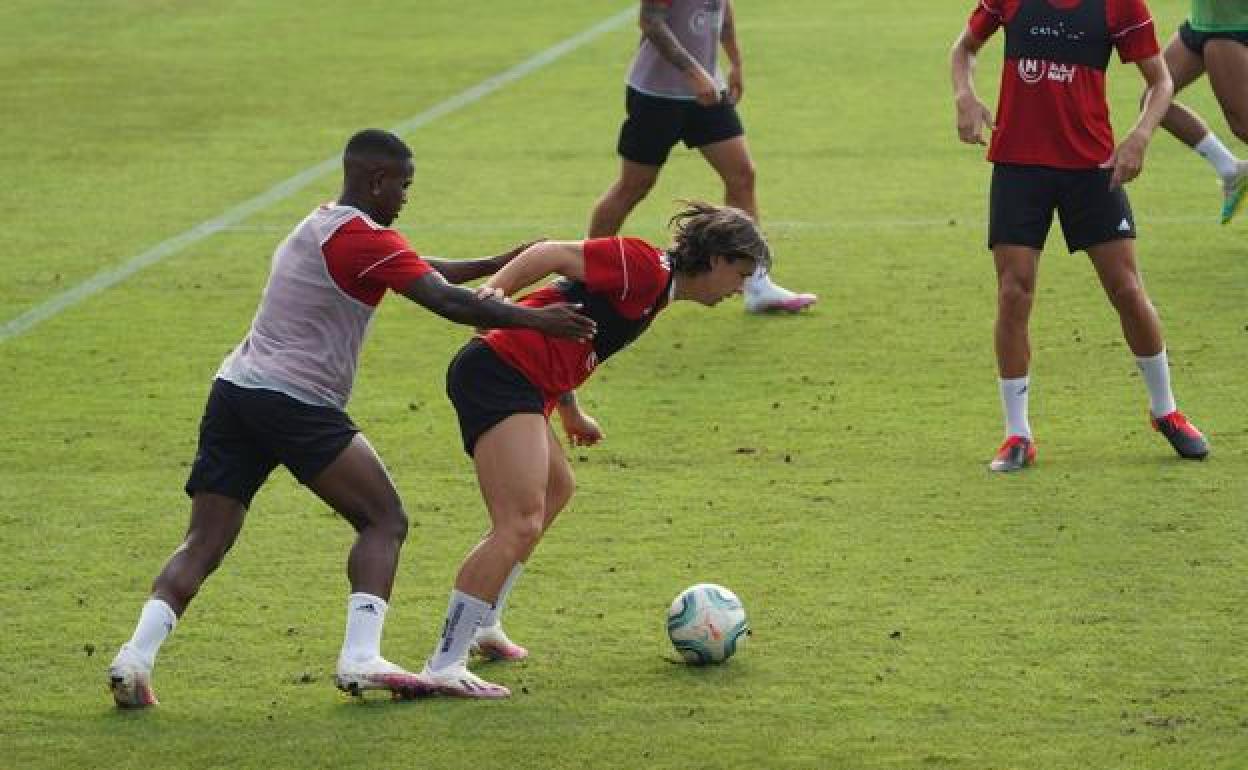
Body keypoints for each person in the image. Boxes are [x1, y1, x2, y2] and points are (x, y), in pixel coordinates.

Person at [106, 129, 597, 708]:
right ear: (376, 181)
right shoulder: (365, 240)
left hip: (234, 392)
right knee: (384, 519)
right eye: (404, 186)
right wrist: (541, 321)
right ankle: (361, 657)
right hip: (294, 402)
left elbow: (420, 269)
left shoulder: (325, 222)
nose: (406, 197)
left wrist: (496, 263)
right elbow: (444, 301)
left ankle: (134, 659)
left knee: (205, 540)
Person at [414, 202, 769, 698]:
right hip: (498, 373)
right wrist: (494, 296)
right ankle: (443, 662)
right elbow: (551, 252)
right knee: (518, 522)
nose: (741, 287)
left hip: (528, 382)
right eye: (741, 273)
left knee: (558, 488)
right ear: (715, 259)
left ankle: (484, 623)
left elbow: (568, 334)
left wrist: (570, 411)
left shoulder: (656, 292)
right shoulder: (643, 265)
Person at [949, 0, 1209, 472]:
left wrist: (1141, 135)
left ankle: (1166, 410)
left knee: (1127, 290)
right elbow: (964, 49)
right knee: (1013, 292)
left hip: (1091, 167)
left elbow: (1161, 81)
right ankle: (1017, 434)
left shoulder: (1119, 5)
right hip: (1019, 166)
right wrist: (964, 94)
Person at [587, 0, 815, 314]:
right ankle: (586, 274)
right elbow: (650, 20)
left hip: (709, 89)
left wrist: (734, 60)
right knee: (634, 186)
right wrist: (693, 73)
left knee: (742, 175)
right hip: (657, 95)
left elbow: (722, 7)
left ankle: (757, 284)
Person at [1157, 0, 1248, 223]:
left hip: (1231, 26)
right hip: (1201, 21)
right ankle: (1231, 170)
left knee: (1243, 127)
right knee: (1155, 102)